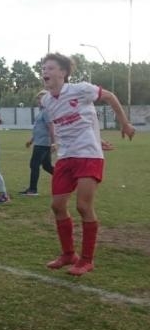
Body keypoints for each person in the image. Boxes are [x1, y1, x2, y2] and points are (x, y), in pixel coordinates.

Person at [40, 53, 135, 276]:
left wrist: (124, 123)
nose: (45, 71)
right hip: (65, 157)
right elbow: (67, 123)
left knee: (83, 206)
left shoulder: (80, 89)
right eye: (43, 68)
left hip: (88, 155)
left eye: (50, 67)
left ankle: (86, 260)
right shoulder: (46, 100)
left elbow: (110, 96)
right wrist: (58, 143)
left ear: (63, 72)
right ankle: (67, 254)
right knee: (57, 206)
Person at [19, 90, 55, 196]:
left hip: (43, 144)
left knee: (34, 165)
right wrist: (31, 141)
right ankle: (66, 179)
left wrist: (54, 143)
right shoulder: (42, 111)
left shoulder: (47, 111)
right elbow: (39, 129)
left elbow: (51, 128)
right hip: (39, 142)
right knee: (47, 166)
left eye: (40, 98)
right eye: (38, 99)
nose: (38, 101)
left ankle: (33, 190)